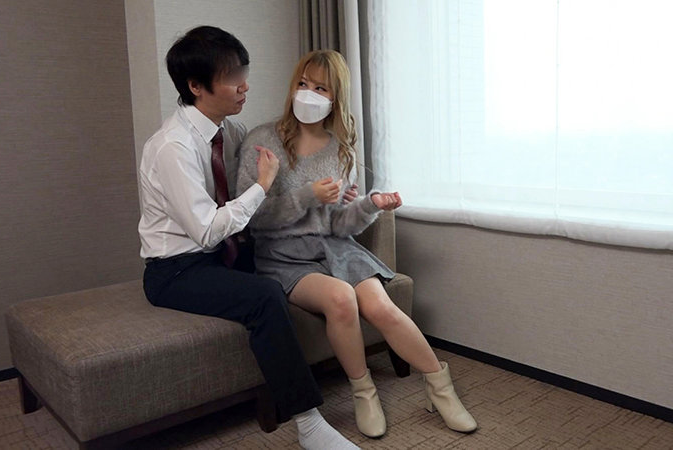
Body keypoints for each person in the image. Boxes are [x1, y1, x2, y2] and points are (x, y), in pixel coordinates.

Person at [236, 50, 478, 439]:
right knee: (341, 299)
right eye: (303, 83)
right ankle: (365, 392)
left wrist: (370, 205)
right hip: (284, 256)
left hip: (335, 249)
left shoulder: (339, 149)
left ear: (335, 98)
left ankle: (440, 389)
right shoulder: (262, 141)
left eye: (320, 88)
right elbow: (251, 218)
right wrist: (308, 196)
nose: (308, 94)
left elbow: (340, 225)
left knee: (381, 305)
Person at [137, 26, 359, 450]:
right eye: (233, 77)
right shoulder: (173, 147)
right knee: (264, 296)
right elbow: (207, 229)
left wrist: (333, 192)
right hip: (177, 269)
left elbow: (270, 194)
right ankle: (309, 424)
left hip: (226, 253)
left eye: (244, 72)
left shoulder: (232, 133)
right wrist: (262, 185)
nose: (245, 86)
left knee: (294, 259)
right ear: (196, 86)